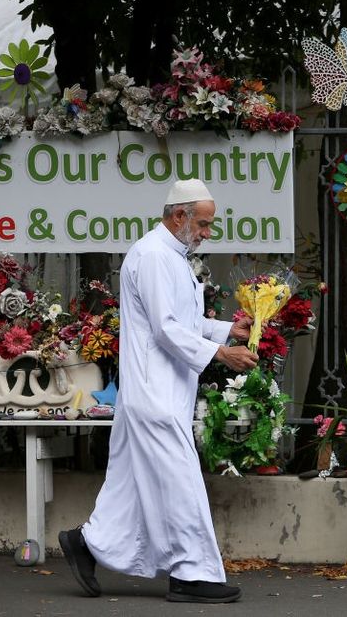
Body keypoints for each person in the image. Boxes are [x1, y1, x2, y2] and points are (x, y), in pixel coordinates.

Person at [59, 178, 259, 604]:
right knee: (180, 482)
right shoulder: (152, 255)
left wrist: (228, 329)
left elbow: (180, 322)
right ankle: (191, 572)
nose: (207, 233)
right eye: (203, 224)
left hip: (159, 391)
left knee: (129, 487)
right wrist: (222, 354)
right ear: (179, 215)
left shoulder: (170, 256)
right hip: (155, 395)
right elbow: (167, 329)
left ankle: (86, 543)